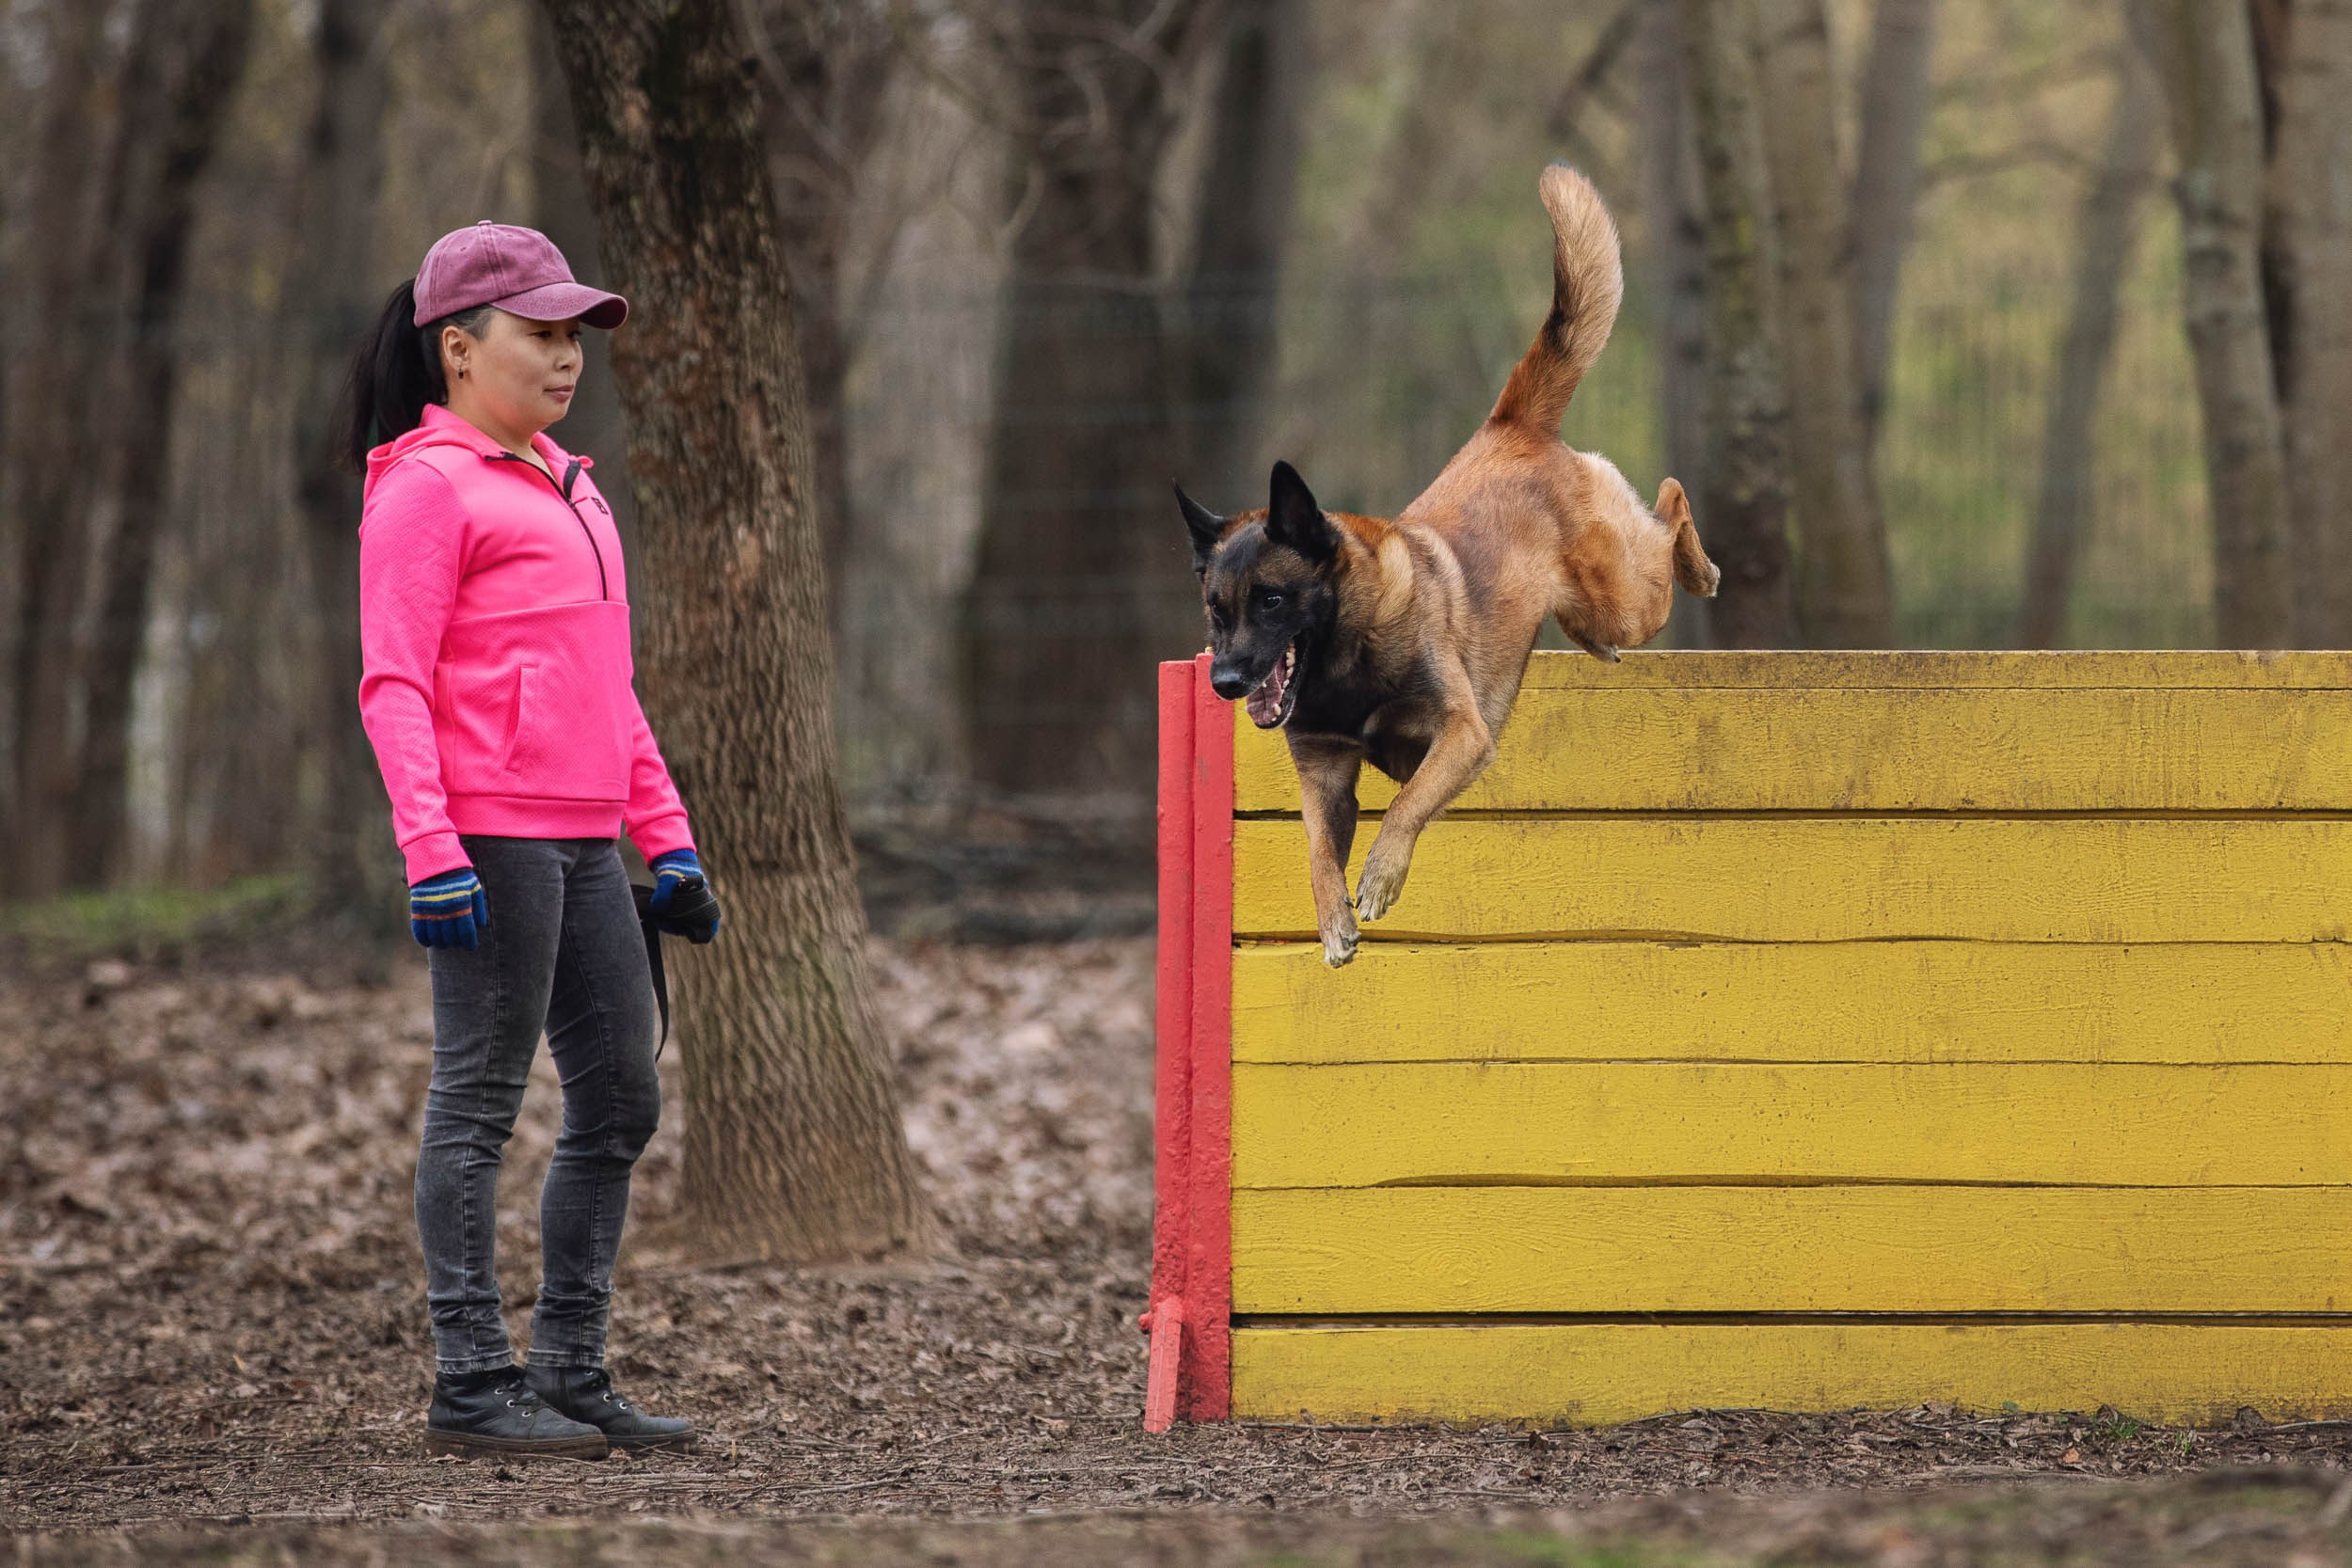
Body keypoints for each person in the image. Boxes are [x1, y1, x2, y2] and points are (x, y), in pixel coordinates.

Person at [339, 220, 723, 1461]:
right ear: (460, 348)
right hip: (490, 843)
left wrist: (665, 840)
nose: (568, 359)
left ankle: (566, 1369)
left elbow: (609, 687)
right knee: (478, 1110)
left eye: (576, 337)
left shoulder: (572, 481)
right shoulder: (424, 487)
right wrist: (430, 849)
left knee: (620, 1094)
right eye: (542, 335)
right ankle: (469, 1380)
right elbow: (391, 685)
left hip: (584, 843)